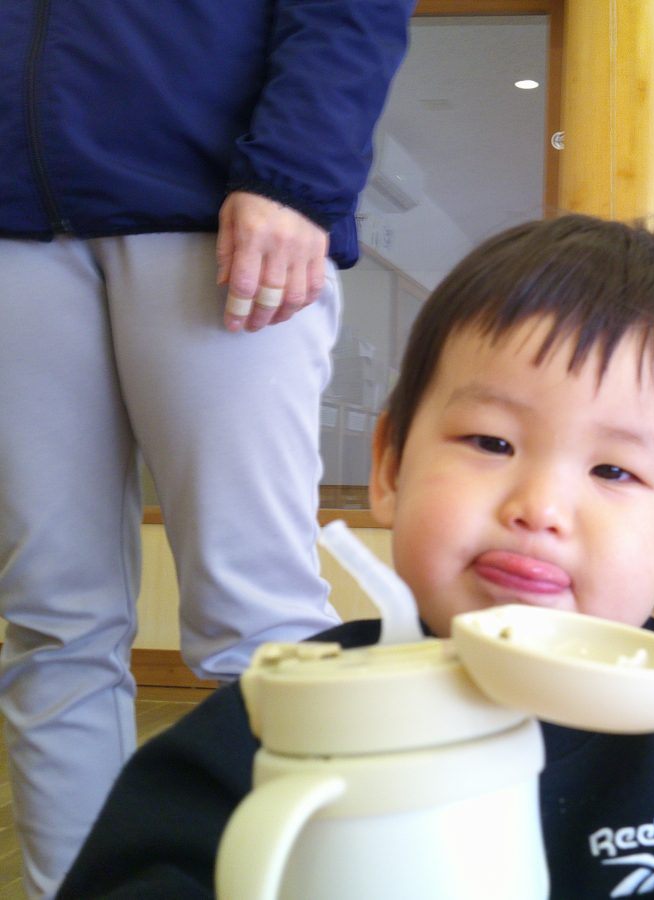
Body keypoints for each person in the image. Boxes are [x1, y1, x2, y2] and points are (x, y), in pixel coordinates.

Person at [59, 215, 654, 898]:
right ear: (390, 468)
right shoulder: (290, 708)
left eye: (613, 470)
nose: (539, 507)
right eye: (491, 442)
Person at [0, 2, 416, 894]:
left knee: (258, 629)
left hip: (218, 207)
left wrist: (299, 174)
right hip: (12, 224)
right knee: (51, 629)